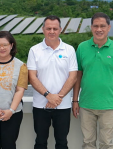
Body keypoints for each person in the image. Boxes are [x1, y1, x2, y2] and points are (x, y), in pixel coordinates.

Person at [72, 12, 113, 149]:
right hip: (86, 104)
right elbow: (78, 76)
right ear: (91, 27)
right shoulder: (82, 48)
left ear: (109, 28)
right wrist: (75, 101)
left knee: (106, 144)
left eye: (102, 26)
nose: (99, 29)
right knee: (88, 143)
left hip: (109, 105)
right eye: (96, 26)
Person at [27, 15, 78, 149]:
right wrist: (48, 95)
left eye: (55, 28)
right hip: (40, 105)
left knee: (62, 142)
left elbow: (73, 76)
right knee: (40, 142)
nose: (52, 31)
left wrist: (57, 97)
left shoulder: (69, 50)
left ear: (60, 30)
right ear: (43, 29)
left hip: (63, 105)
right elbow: (32, 77)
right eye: (48, 28)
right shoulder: (34, 50)